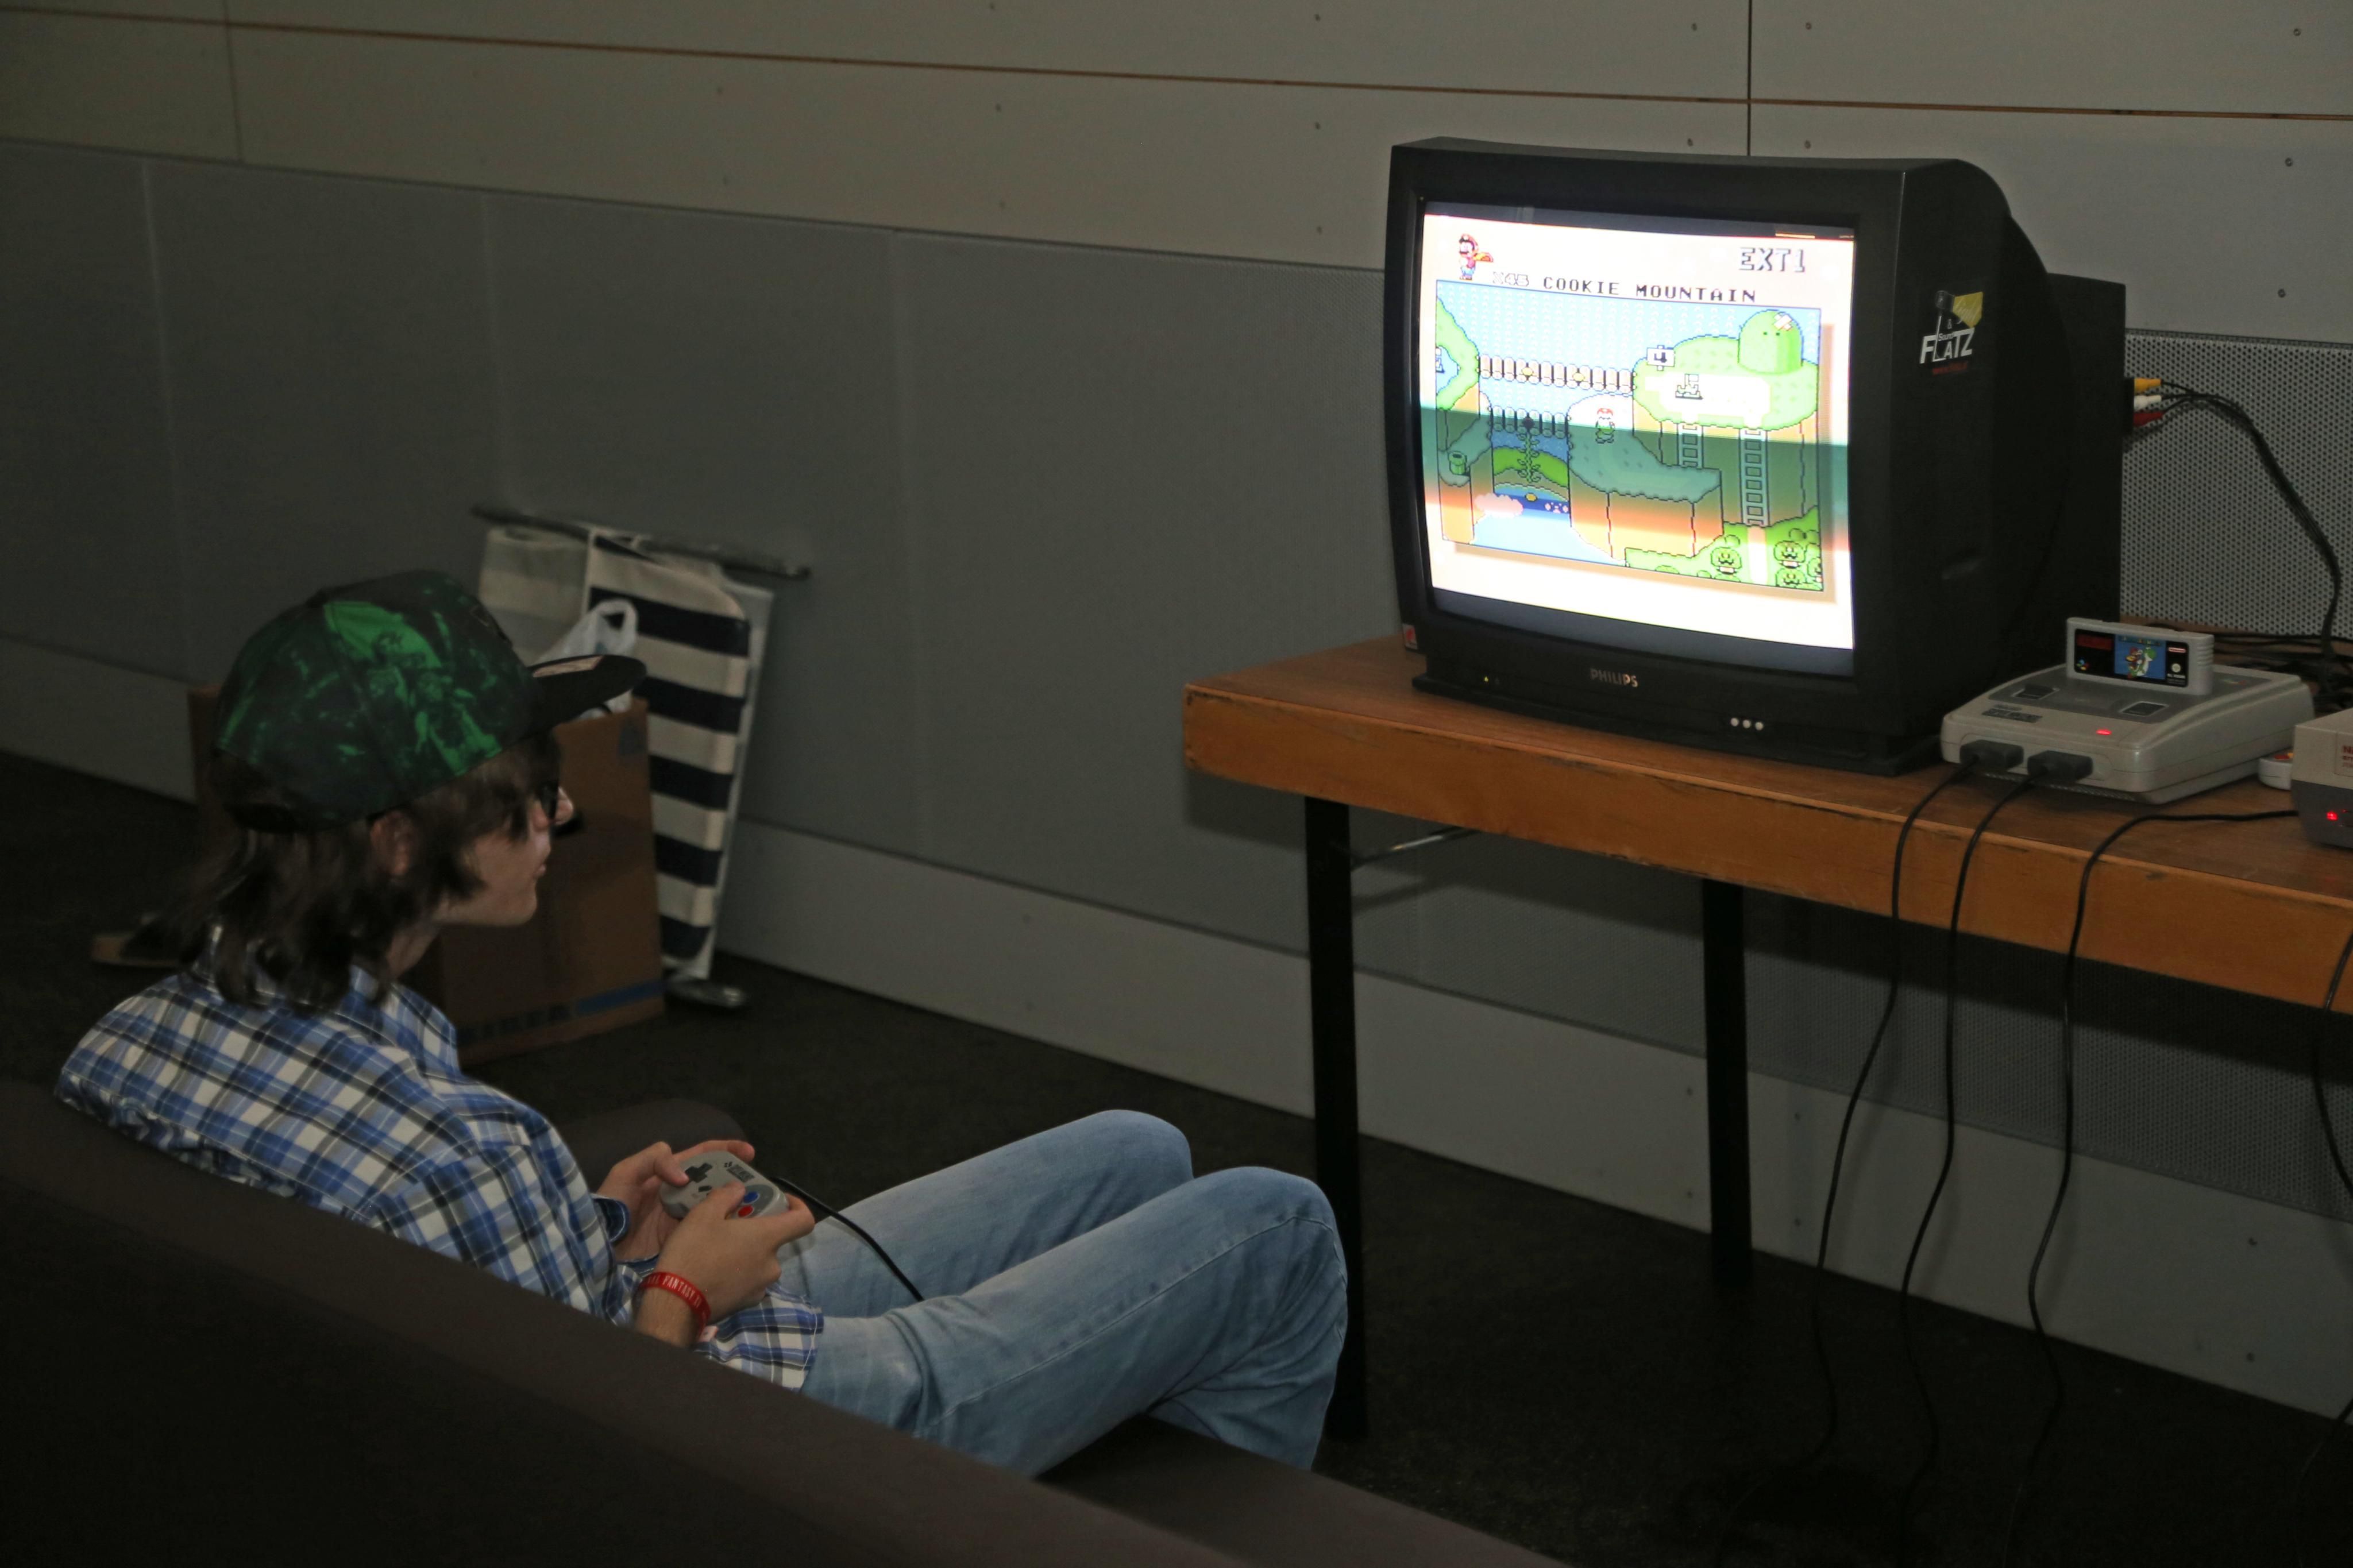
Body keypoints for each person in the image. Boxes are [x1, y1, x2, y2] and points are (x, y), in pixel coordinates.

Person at [56, 570, 1346, 1475]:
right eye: (524, 792)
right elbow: (590, 1470)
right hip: (743, 1431)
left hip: (590, 1341)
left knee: (1135, 1148)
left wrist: (599, 1230)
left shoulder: (132, 1041)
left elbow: (471, 1287)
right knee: (1275, 1225)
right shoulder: (460, 1154)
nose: (559, 817)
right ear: (398, 843)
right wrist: (680, 1289)